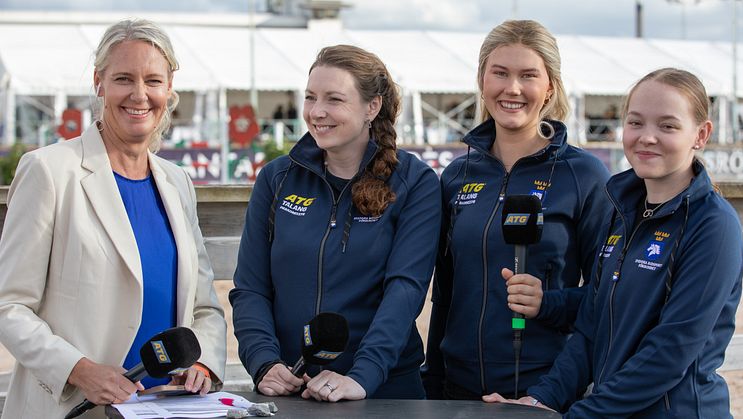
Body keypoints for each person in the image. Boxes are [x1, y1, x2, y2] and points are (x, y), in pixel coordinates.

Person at [0, 19, 227, 418]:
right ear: (98, 82)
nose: (140, 95)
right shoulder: (49, 172)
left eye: (153, 81)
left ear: (169, 88)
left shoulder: (177, 182)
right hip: (75, 407)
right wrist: (78, 370)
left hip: (165, 408)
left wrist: (202, 362)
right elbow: (9, 305)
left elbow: (203, 308)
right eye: (124, 78)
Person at [487, 68, 743, 417]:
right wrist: (540, 400)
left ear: (701, 134)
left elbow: (668, 355)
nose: (647, 138)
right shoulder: (622, 212)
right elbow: (591, 327)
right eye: (636, 123)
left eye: (667, 126)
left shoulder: (713, 226)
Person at [230, 44, 441, 402]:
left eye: (334, 99)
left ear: (371, 107)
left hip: (382, 390)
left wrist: (363, 376)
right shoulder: (277, 178)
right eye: (310, 97)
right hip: (290, 388)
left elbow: (405, 291)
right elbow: (250, 287)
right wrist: (264, 362)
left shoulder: (415, 183)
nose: (317, 112)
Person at [421, 19, 611, 400]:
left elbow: (607, 297)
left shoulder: (583, 175)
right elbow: (445, 292)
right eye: (500, 74)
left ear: (550, 87)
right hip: (458, 389)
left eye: (528, 75)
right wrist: (434, 378)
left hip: (542, 389)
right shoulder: (458, 174)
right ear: (482, 81)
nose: (512, 88)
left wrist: (549, 303)